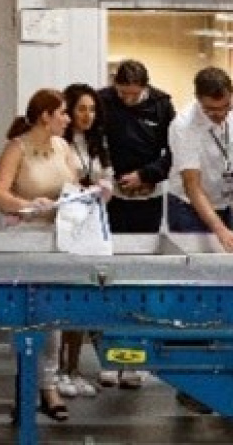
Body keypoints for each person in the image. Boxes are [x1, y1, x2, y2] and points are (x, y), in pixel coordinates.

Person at [0, 89, 85, 423]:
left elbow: (75, 187)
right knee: (28, 318)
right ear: (46, 115)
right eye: (63, 113)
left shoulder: (64, 148)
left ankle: (48, 386)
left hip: (57, 238)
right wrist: (28, 206)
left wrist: (92, 194)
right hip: (25, 238)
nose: (68, 118)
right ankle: (26, 388)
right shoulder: (17, 148)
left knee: (53, 317)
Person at [95, 59, 174, 389]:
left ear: (145, 88)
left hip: (146, 197)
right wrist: (110, 176)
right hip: (112, 198)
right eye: (122, 94)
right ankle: (108, 355)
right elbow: (94, 143)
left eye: (133, 95)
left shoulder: (162, 106)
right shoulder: (102, 101)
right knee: (109, 275)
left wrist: (146, 175)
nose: (126, 100)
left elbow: (173, 152)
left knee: (139, 273)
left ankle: (135, 356)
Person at [56, 83, 109, 398]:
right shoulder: (60, 144)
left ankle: (73, 367)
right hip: (67, 226)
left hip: (94, 226)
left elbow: (107, 178)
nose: (87, 116)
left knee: (82, 301)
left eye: (92, 109)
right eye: (81, 109)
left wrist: (105, 188)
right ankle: (57, 370)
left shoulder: (97, 143)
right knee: (62, 300)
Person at [166, 67, 233, 253]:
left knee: (232, 260)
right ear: (198, 99)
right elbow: (192, 186)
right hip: (188, 207)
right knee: (196, 270)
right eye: (211, 110)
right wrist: (221, 231)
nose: (219, 115)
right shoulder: (184, 126)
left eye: (224, 107)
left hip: (225, 202)